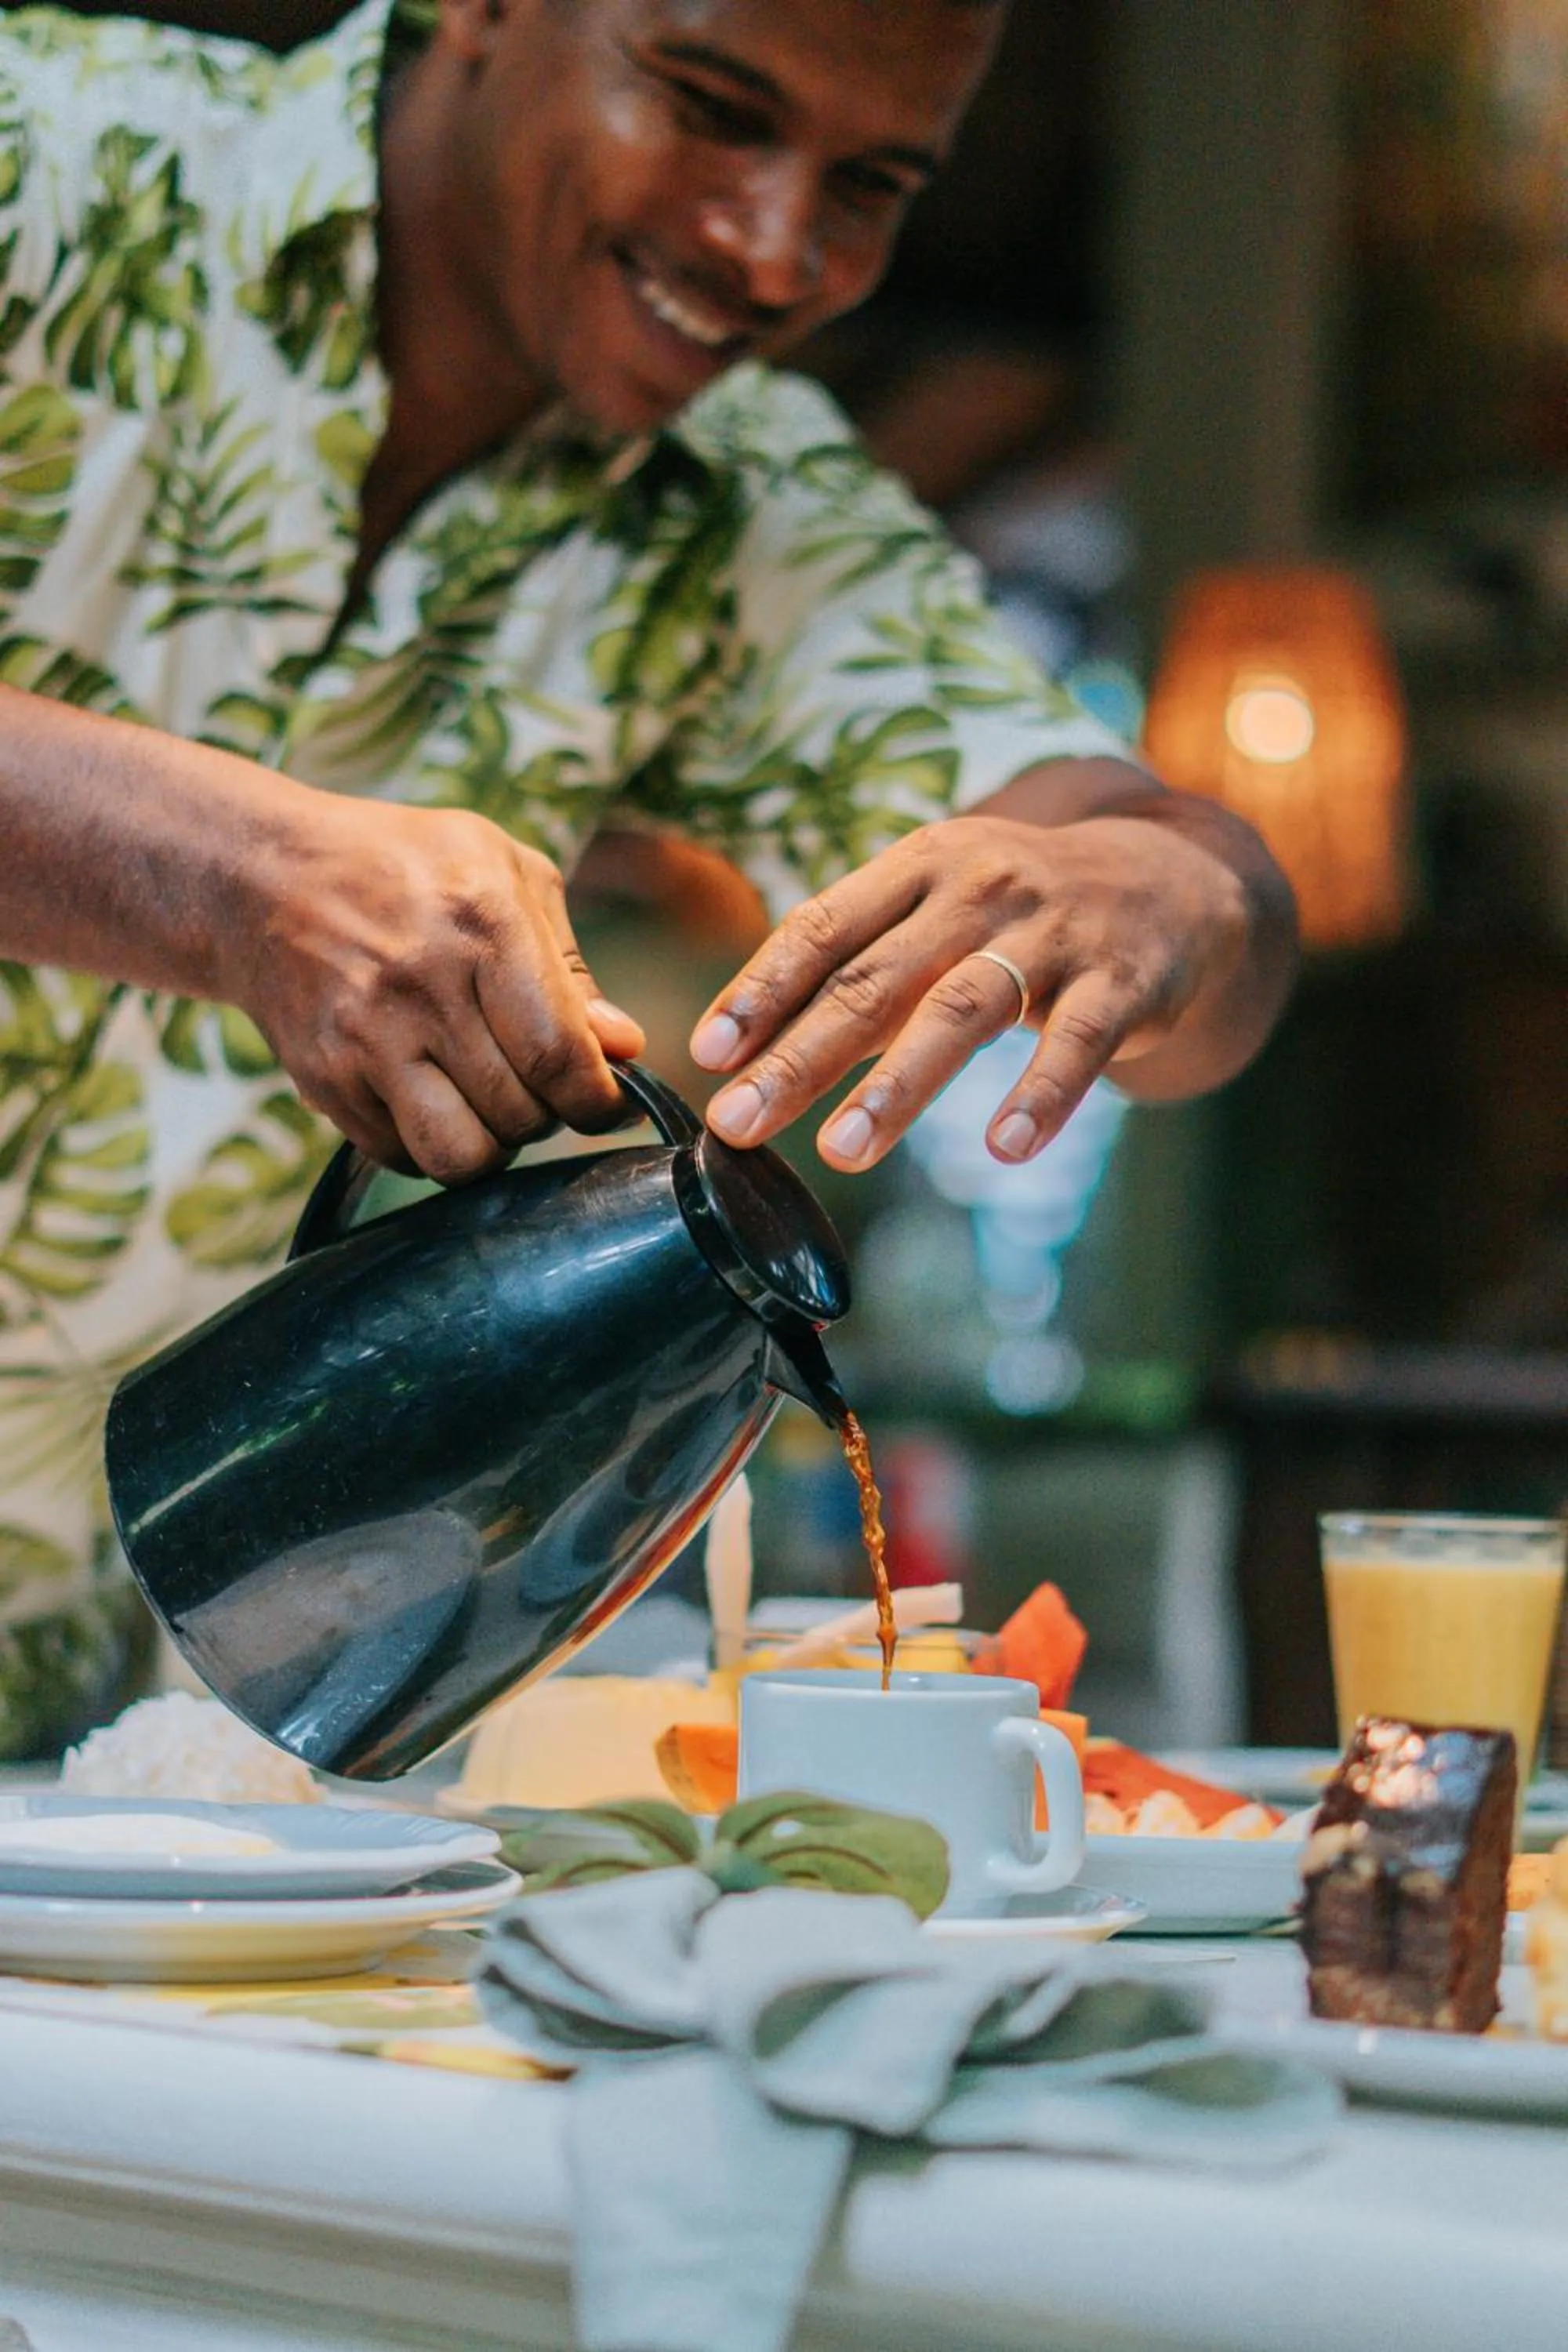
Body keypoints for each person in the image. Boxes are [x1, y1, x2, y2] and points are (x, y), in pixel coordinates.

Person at [0, 0, 1295, 1619]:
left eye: (871, 184)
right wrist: (226, 872)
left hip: (82, 1721)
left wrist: (1152, 894)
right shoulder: (42, 160)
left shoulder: (747, 511)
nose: (774, 251)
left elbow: (1199, 917)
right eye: (708, 103)